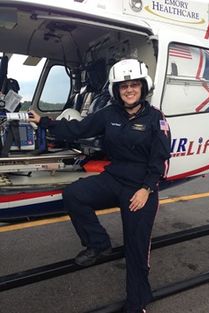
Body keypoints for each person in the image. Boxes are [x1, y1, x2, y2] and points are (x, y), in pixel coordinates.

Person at [28, 59, 171, 313]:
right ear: (116, 90)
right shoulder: (109, 114)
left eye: (134, 84)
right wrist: (44, 122)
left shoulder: (156, 118)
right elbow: (78, 129)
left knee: (136, 250)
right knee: (74, 194)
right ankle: (98, 243)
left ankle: (137, 303)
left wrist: (146, 189)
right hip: (114, 178)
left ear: (142, 87)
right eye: (123, 86)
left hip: (140, 188)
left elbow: (160, 161)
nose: (129, 90)